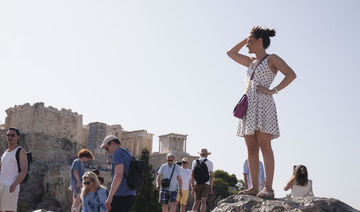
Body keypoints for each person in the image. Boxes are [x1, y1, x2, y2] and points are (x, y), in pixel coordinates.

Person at [227, 26, 296, 198]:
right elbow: (230, 53)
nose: (246, 45)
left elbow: (291, 74)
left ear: (260, 41)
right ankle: (253, 187)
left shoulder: (272, 58)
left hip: (264, 105)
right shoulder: (250, 61)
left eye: (250, 41)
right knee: (250, 148)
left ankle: (269, 188)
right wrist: (246, 37)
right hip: (248, 106)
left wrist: (274, 90)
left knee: (265, 145)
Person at [100, 135, 136, 212]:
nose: (107, 151)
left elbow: (119, 175)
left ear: (112, 143)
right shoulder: (128, 153)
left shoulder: (117, 153)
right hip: (131, 193)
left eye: (106, 148)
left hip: (121, 194)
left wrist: (110, 197)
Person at [0, 128, 28, 212]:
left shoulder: (20, 151)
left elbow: (24, 170)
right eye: (8, 135)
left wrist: (14, 185)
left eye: (12, 135)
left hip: (11, 185)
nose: (10, 137)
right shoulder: (4, 153)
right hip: (1, 185)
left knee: (9, 210)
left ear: (18, 137)